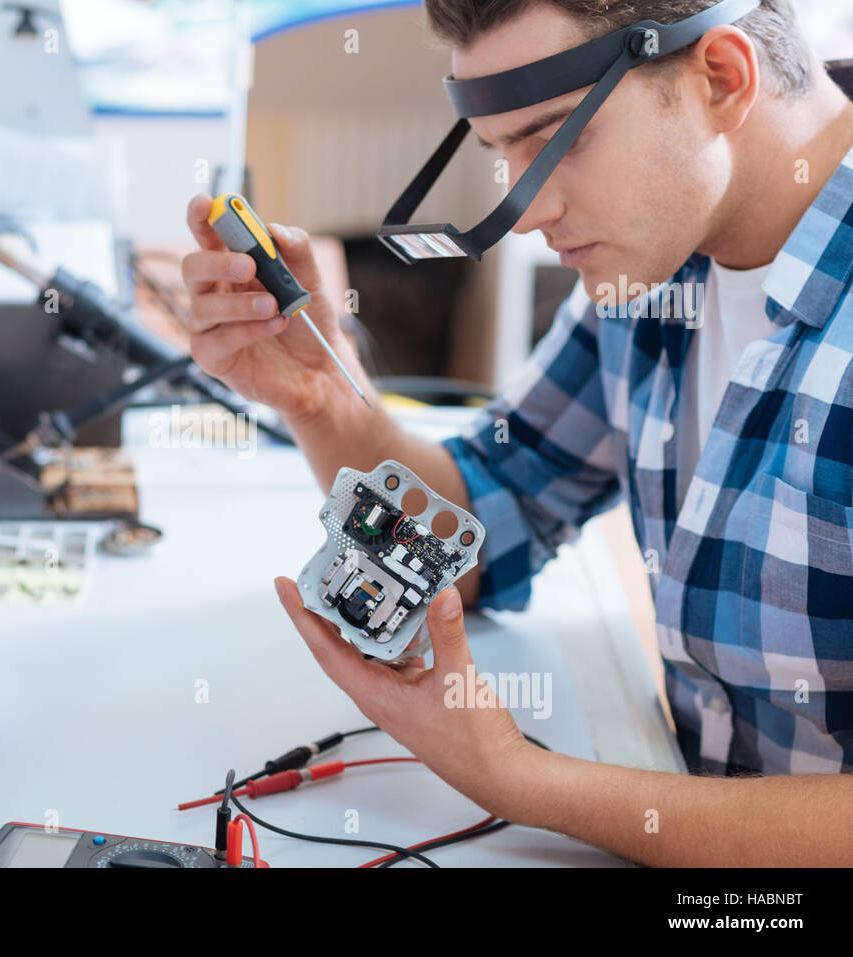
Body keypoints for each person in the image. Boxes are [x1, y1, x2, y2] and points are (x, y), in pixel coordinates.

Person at [177, 0, 853, 865]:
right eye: (503, 154)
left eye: (554, 140)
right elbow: (487, 519)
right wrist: (321, 397)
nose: (526, 214)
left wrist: (520, 778)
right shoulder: (658, 262)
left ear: (720, 78)